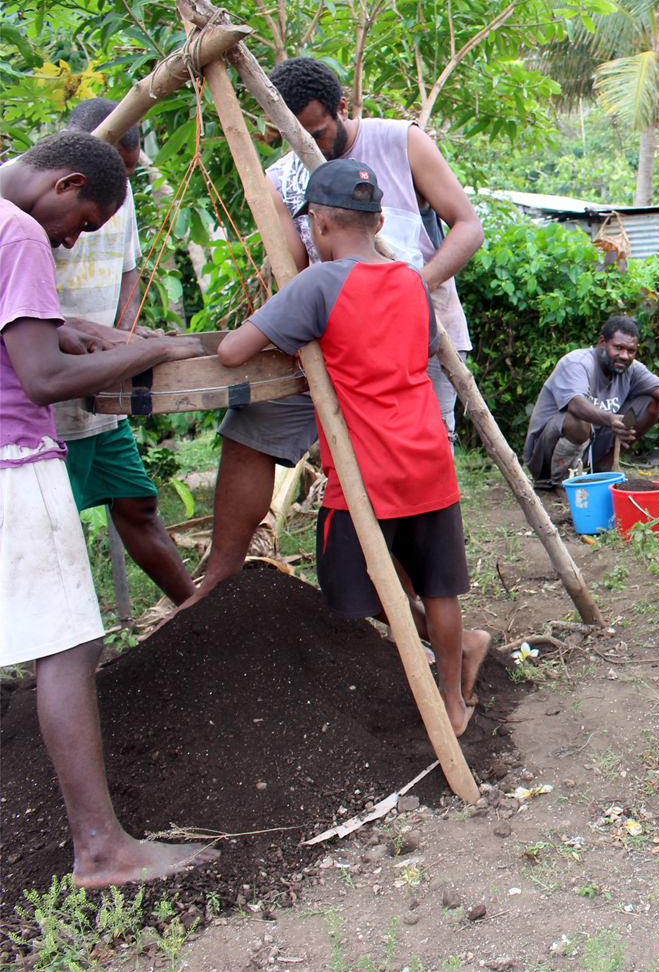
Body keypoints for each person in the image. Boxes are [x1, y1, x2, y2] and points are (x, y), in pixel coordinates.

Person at [186, 56, 484, 607]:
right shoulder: (278, 180)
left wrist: (408, 290)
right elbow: (296, 270)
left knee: (410, 479)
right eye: (293, 131)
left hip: (416, 349)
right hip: (334, 351)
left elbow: (467, 226)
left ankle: (422, 613)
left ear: (341, 108)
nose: (309, 144)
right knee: (251, 424)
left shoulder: (400, 142)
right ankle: (216, 587)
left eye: (318, 129)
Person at [0, 131, 218, 885]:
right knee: (68, 647)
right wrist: (153, 349)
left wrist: (76, 328)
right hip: (12, 460)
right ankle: (101, 848)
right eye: (82, 223)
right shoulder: (19, 229)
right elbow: (44, 378)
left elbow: (35, 335)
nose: (70, 242)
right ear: (63, 185)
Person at [217, 160, 488, 735]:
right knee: (438, 581)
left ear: (316, 224)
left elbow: (233, 352)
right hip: (426, 453)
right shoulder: (413, 281)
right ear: (380, 219)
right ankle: (453, 695)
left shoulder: (316, 284)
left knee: (360, 582)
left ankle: (425, 675)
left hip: (367, 468)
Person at [52, 98, 196, 607]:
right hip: (46, 398)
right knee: (53, 530)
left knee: (136, 502)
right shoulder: (26, 206)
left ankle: (193, 613)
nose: (122, 185)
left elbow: (128, 269)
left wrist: (124, 332)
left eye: (129, 174)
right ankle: (57, 654)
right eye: (114, 170)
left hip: (101, 389)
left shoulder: (120, 190)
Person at [523, 316, 659, 485]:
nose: (625, 355)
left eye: (631, 351)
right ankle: (560, 482)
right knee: (579, 419)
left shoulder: (631, 370)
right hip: (545, 455)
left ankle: (604, 466)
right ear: (602, 343)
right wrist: (610, 419)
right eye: (618, 348)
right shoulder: (577, 363)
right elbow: (576, 405)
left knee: (654, 401)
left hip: (589, 446)